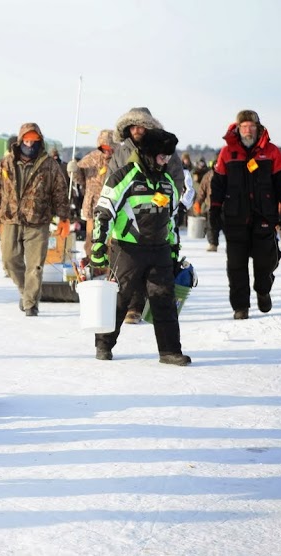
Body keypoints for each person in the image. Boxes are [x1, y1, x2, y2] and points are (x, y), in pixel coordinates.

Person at [89, 124, 190, 366]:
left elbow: (172, 219)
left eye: (168, 156)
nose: (165, 161)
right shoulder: (124, 177)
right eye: (161, 156)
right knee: (120, 300)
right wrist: (98, 248)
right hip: (128, 251)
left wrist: (174, 249)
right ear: (148, 153)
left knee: (164, 300)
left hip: (160, 251)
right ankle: (104, 344)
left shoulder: (167, 182)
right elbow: (104, 213)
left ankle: (169, 351)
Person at [108, 107, 193, 323]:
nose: (137, 130)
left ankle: (155, 306)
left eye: (142, 126)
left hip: (158, 214)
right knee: (130, 264)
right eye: (133, 126)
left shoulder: (165, 148)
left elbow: (176, 179)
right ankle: (133, 307)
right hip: (128, 215)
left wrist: (160, 202)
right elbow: (111, 179)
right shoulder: (121, 151)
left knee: (159, 264)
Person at [209, 110, 281, 319]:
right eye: (244, 126)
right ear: (238, 129)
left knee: (266, 261)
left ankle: (263, 290)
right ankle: (240, 307)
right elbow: (218, 185)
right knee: (236, 266)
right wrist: (214, 210)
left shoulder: (271, 151)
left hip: (264, 216)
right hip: (235, 217)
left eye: (251, 126)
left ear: (258, 128)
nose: (248, 130)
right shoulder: (227, 152)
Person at [0, 123, 70, 316]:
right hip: (10, 218)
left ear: (40, 141)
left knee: (35, 265)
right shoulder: (6, 162)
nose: (30, 144)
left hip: (38, 219)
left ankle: (30, 304)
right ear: (20, 141)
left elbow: (59, 192)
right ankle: (25, 291)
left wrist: (64, 218)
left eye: (34, 141)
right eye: (26, 140)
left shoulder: (49, 164)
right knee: (9, 261)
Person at [76, 129, 115, 249]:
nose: (107, 151)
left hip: (112, 209)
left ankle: (109, 267)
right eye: (103, 148)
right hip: (92, 207)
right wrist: (73, 170)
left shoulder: (119, 159)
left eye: (109, 148)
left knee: (109, 244)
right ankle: (90, 265)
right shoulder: (91, 158)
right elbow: (80, 179)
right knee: (91, 242)